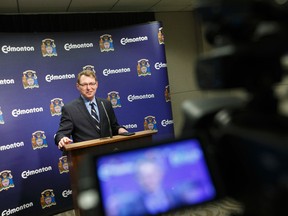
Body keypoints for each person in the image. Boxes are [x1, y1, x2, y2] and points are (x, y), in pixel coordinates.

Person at [54, 69, 128, 150]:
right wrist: (62, 139)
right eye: (84, 84)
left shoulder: (105, 104)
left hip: (108, 154)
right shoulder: (70, 109)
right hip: (86, 156)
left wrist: (122, 131)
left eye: (92, 84)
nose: (89, 88)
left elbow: (114, 127)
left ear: (96, 84)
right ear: (78, 86)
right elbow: (61, 133)